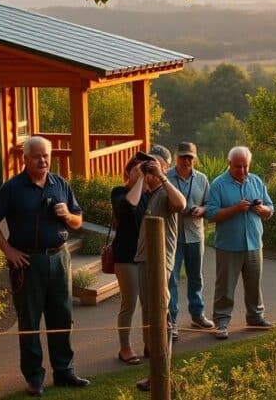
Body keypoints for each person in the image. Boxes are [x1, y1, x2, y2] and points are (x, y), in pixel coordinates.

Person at [0, 136, 90, 397]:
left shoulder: (60, 183)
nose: (43, 160)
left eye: (46, 156)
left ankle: (64, 371)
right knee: (30, 320)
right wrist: (8, 250)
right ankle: (34, 378)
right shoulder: (13, 188)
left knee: (62, 317)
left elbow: (78, 221)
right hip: (28, 262)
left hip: (59, 258)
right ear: (24, 159)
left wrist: (68, 216)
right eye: (37, 156)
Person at [205, 145, 274, 340]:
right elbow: (210, 214)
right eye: (238, 167)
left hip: (254, 243)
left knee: (254, 285)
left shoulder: (256, 181)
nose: (242, 171)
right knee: (225, 287)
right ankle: (221, 322)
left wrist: (263, 211)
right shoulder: (218, 184)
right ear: (229, 164)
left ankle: (255, 317)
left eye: (245, 166)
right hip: (229, 245)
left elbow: (270, 207)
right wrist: (235, 209)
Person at [132, 144, 185, 392]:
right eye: (147, 164)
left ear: (164, 166)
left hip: (160, 263)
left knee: (161, 318)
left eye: (153, 164)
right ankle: (156, 375)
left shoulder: (165, 192)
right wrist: (141, 175)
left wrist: (162, 176)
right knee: (150, 319)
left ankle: (163, 376)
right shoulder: (148, 193)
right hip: (144, 262)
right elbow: (127, 203)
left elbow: (182, 203)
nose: (149, 168)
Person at [166, 141, 214, 341]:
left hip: (195, 234)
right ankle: (172, 320)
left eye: (190, 157)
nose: (186, 161)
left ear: (195, 158)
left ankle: (197, 314)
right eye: (183, 156)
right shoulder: (166, 177)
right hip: (173, 235)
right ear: (176, 157)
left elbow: (209, 204)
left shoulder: (202, 179)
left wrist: (201, 210)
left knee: (196, 277)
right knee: (172, 280)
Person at [109, 153, 151, 366]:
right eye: (136, 169)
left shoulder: (149, 195)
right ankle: (124, 347)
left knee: (149, 303)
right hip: (126, 256)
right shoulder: (119, 192)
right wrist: (140, 179)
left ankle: (149, 344)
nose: (141, 173)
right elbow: (128, 206)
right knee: (129, 303)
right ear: (127, 172)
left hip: (146, 256)